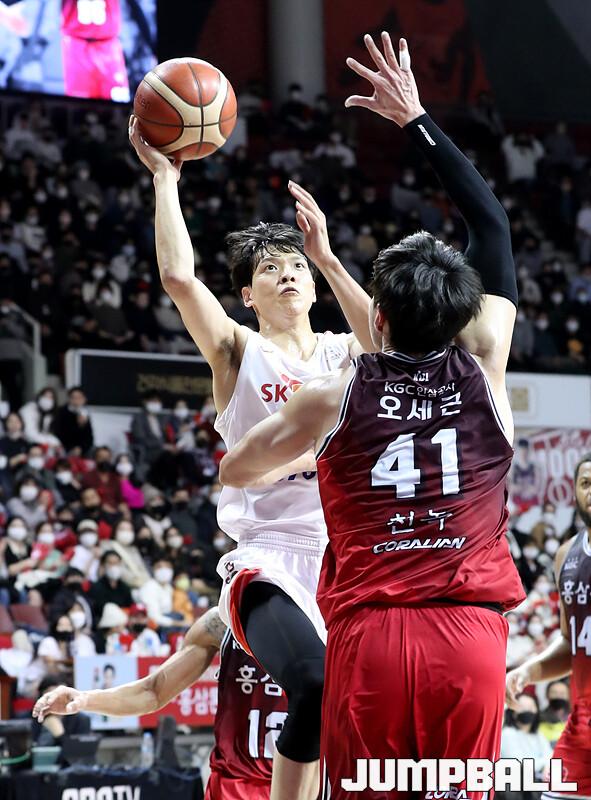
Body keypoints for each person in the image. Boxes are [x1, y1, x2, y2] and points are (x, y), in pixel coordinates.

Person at [219, 34, 525, 799]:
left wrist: (305, 459)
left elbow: (236, 467)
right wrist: (416, 119)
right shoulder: (485, 365)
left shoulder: (333, 393)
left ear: (376, 320)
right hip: (469, 635)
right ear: (462, 316)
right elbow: (491, 225)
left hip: (372, 635)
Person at [129, 61, 371, 795]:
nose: (287, 273)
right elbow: (179, 279)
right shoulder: (239, 350)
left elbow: (393, 344)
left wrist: (327, 256)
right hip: (267, 556)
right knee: (314, 683)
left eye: (295, 265)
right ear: (247, 293)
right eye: (270, 268)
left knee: (355, 724)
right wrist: (165, 180)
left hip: (347, 565)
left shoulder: (347, 353)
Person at [34, 608, 287, 800]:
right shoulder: (221, 621)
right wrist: (86, 698)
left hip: (299, 778)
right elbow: (152, 692)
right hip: (234, 784)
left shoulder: (312, 616)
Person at [507, 453, 591, 799]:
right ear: (575, 492)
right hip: (581, 727)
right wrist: (527, 671)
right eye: (585, 483)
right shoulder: (566, 555)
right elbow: (571, 643)